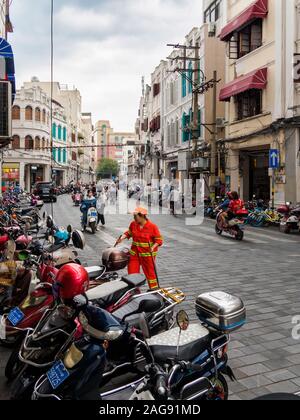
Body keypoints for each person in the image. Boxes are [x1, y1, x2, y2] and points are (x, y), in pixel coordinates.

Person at [116, 207, 163, 291]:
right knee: (132, 273)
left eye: (135, 216)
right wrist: (122, 238)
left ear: (142, 216)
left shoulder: (152, 227)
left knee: (150, 275)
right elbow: (129, 232)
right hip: (134, 254)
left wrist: (153, 247)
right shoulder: (133, 224)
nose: (134, 218)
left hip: (147, 255)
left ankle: (154, 290)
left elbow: (159, 240)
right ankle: (135, 291)